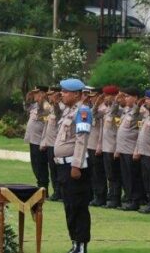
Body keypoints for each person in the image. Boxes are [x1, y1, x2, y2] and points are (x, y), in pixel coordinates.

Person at [54, 78, 92, 253]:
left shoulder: (83, 111)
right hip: (62, 166)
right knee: (69, 206)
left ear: (76, 94)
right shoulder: (68, 111)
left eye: (66, 91)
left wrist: (76, 165)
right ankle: (75, 243)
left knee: (78, 206)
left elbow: (81, 140)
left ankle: (82, 245)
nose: (62, 94)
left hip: (74, 166)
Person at [115, 87, 145, 210]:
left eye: (128, 96)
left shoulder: (140, 111)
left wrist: (137, 150)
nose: (125, 99)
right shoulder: (127, 111)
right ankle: (129, 198)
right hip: (123, 148)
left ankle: (135, 200)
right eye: (125, 96)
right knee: (126, 176)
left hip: (131, 149)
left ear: (136, 98)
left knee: (133, 177)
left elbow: (140, 132)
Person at [101, 85, 123, 208]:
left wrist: (115, 101)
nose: (105, 98)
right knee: (109, 174)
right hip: (106, 146)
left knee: (114, 175)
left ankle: (115, 198)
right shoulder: (108, 110)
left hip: (113, 147)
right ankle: (111, 197)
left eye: (107, 95)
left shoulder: (118, 110)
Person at [24, 85, 49, 192]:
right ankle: (40, 185)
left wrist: (41, 101)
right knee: (35, 165)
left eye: (36, 93)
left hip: (40, 141)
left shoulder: (46, 106)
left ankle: (43, 188)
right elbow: (26, 108)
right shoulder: (34, 105)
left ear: (43, 94)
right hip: (33, 140)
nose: (34, 95)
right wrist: (28, 99)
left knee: (41, 166)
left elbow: (45, 119)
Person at [40, 86, 64, 201]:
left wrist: (56, 103)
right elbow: (44, 119)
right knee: (52, 170)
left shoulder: (62, 107)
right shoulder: (51, 108)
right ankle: (56, 191)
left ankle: (61, 192)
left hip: (57, 144)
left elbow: (59, 118)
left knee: (59, 170)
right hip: (50, 144)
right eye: (48, 94)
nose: (49, 96)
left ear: (58, 94)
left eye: (51, 94)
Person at [86, 88, 107, 207]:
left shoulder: (103, 109)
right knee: (92, 173)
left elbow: (103, 130)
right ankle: (94, 195)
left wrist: (100, 145)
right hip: (90, 143)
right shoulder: (93, 109)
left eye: (94, 96)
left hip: (97, 145)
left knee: (98, 173)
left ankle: (101, 196)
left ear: (100, 96)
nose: (91, 98)